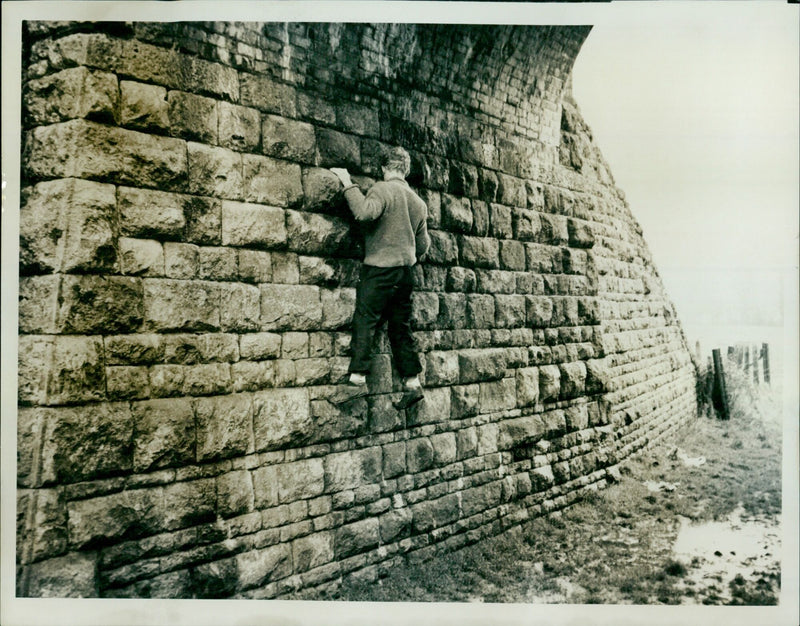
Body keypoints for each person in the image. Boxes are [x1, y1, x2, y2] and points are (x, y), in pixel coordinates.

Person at [330, 146, 430, 409]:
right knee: (401, 328)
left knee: (366, 320)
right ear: (405, 170)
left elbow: (364, 212)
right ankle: (412, 384)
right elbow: (423, 246)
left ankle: (356, 381)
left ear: (385, 168)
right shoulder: (418, 203)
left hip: (379, 270)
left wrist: (347, 183)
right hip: (405, 273)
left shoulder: (382, 189)